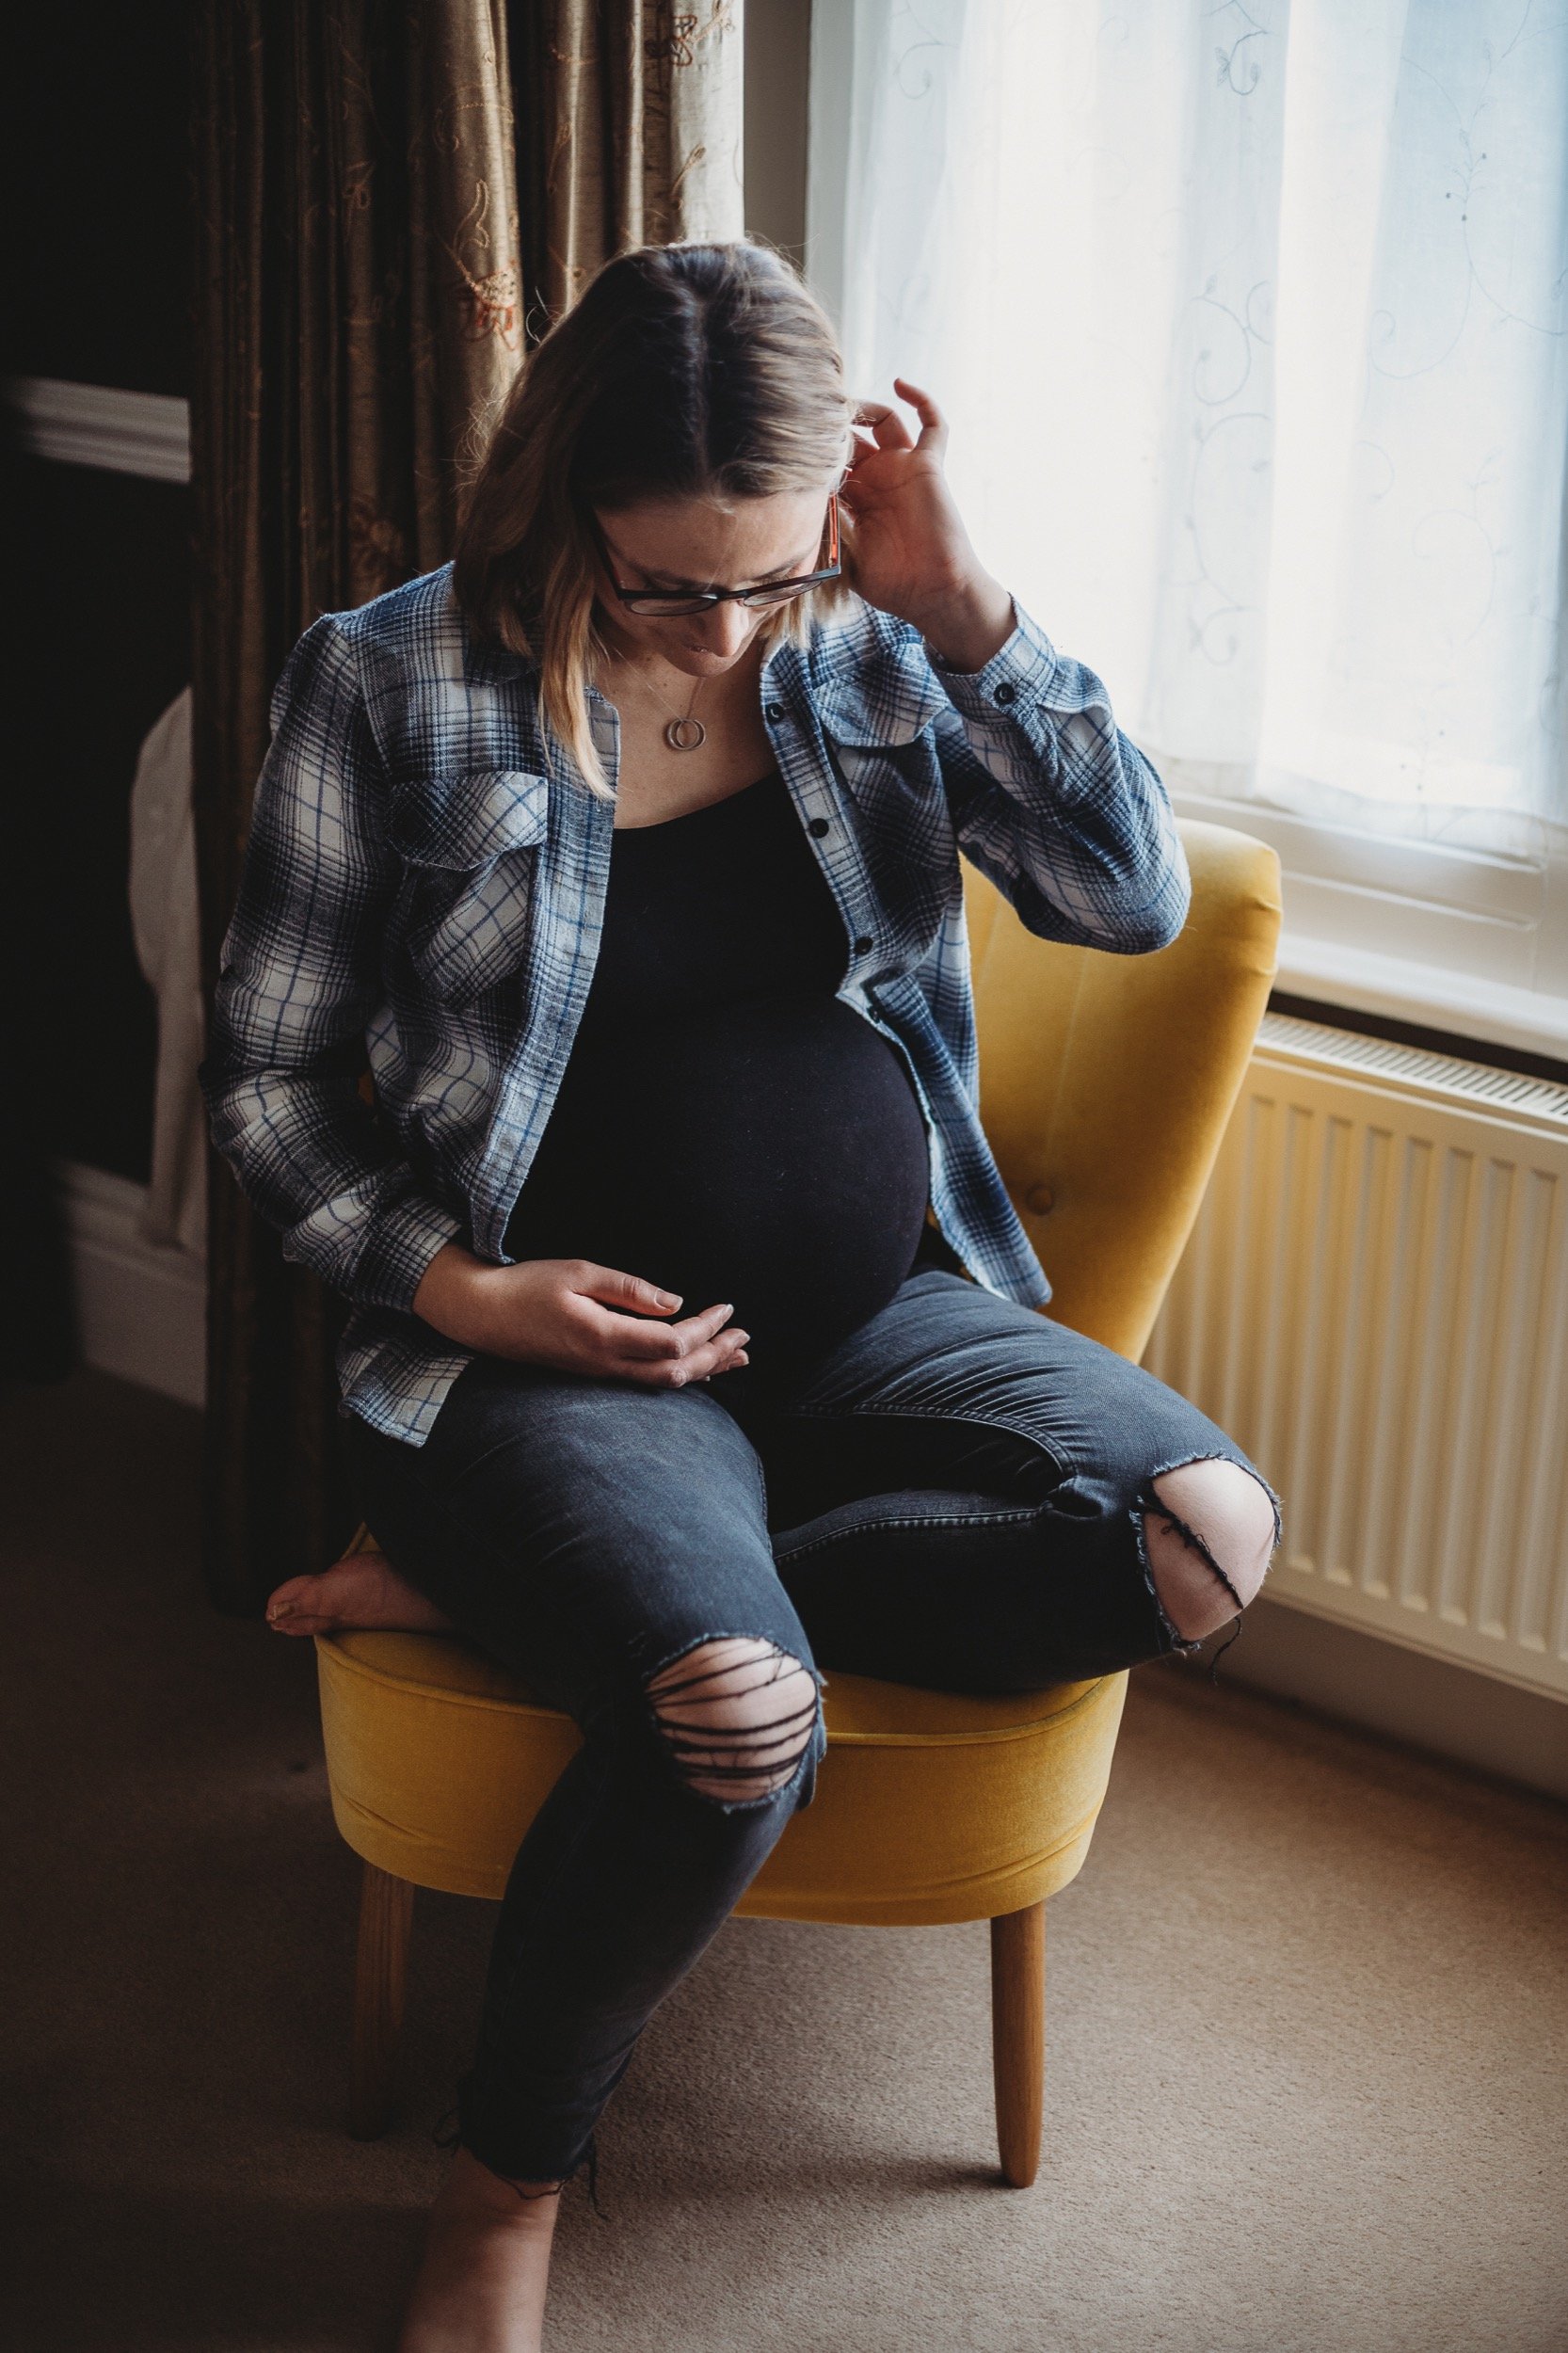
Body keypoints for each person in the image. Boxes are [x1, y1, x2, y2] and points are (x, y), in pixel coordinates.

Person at [200, 238, 1280, 2353]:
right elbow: (260, 1075)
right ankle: (507, 2181)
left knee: (1201, 1546)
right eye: (661, 584)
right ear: (557, 502)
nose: (719, 630)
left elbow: (1127, 897)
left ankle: (554, 1584)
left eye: (764, 579)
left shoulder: (875, 651)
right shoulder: (387, 679)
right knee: (730, 1715)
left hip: (879, 1306)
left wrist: (965, 611)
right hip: (548, 1360)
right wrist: (470, 1295)